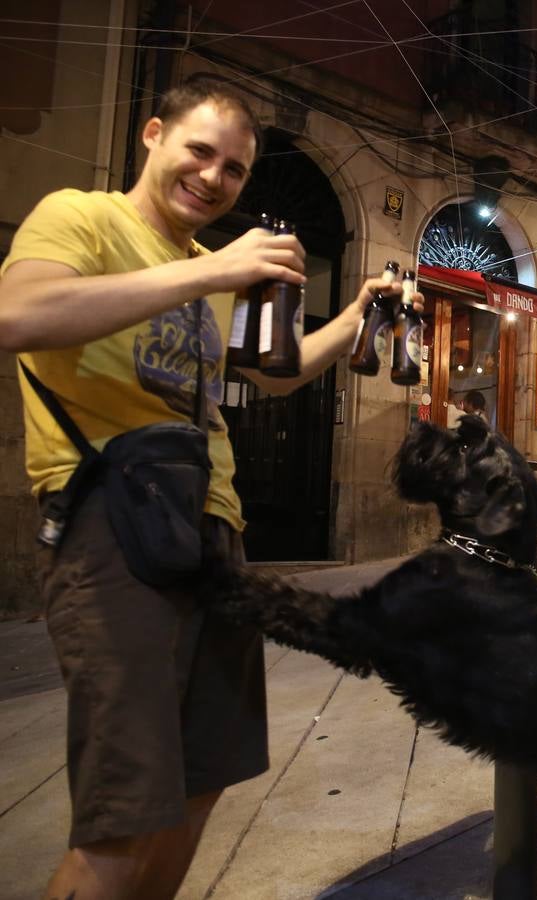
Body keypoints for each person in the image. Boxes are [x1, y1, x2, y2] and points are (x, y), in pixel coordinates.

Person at [0, 78, 422, 899]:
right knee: (124, 808)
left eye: (233, 169)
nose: (213, 176)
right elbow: (18, 315)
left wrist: (356, 312)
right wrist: (207, 276)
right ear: (152, 135)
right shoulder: (82, 217)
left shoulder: (210, 270)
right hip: (110, 527)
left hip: (212, 533)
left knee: (202, 780)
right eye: (200, 151)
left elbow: (276, 373)